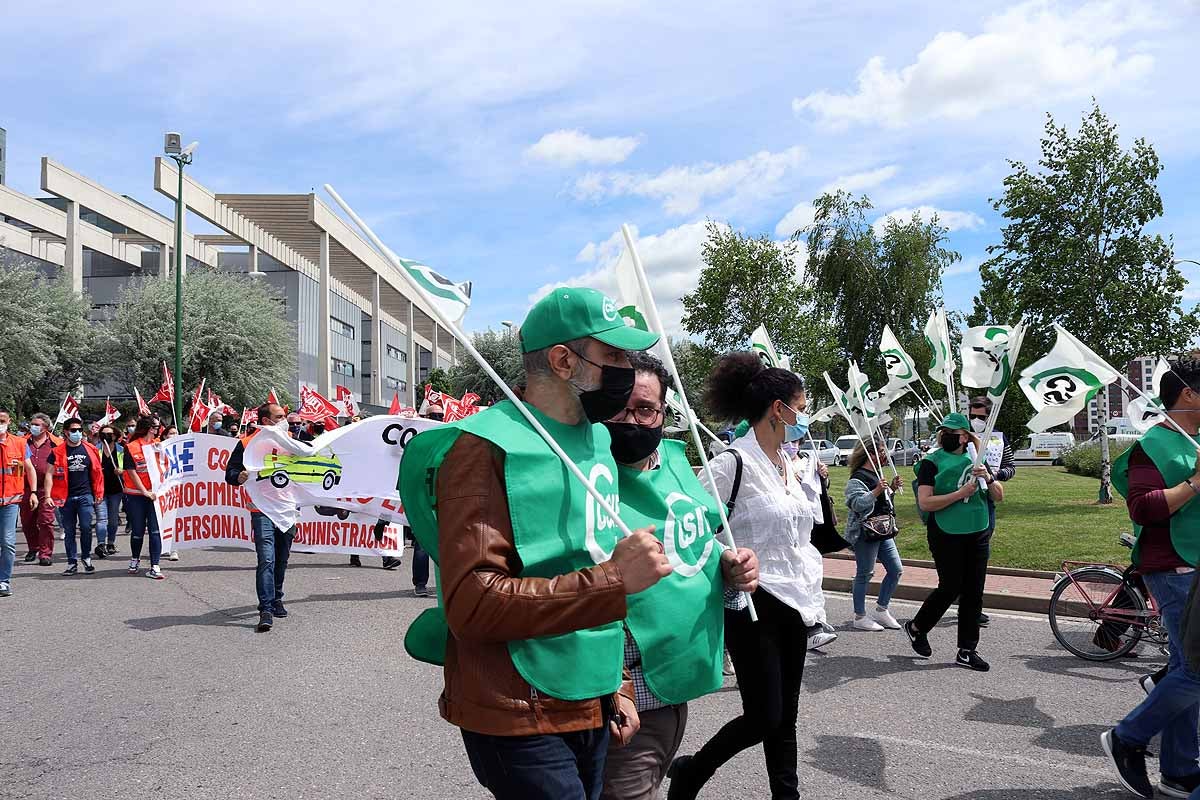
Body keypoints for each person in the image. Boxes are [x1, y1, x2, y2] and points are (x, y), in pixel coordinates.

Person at [398, 287, 671, 800]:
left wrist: (617, 683)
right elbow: (473, 604)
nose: (626, 372)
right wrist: (615, 578)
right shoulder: (483, 449)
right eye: (612, 356)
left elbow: (581, 554)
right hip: (516, 706)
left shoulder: (597, 443)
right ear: (564, 361)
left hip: (590, 694)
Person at [600, 351, 758, 800]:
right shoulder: (579, 475)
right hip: (610, 694)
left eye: (646, 409)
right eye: (620, 406)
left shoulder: (679, 470)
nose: (631, 419)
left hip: (666, 692)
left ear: (664, 415)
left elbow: (696, 543)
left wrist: (729, 564)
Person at [668, 352, 823, 800]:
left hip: (795, 602)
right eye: (802, 406)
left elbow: (803, 533)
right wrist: (725, 557)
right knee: (764, 716)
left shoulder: (788, 466)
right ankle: (692, 772)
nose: (804, 416)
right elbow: (688, 530)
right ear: (780, 408)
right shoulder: (730, 465)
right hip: (753, 604)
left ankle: (786, 795)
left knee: (785, 716)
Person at [1103, 358, 1200, 800]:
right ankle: (1127, 737)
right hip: (1174, 568)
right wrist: (1196, 482)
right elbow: (1142, 508)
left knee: (1188, 670)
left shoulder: (1194, 440)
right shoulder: (1153, 446)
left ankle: (1179, 770)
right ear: (1189, 394)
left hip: (1196, 566)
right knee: (1196, 672)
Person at [905, 413, 1002, 672]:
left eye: (953, 433)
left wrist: (988, 478)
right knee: (950, 588)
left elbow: (999, 495)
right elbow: (925, 502)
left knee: (974, 591)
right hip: (946, 532)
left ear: (965, 437)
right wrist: (960, 494)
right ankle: (917, 627)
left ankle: (967, 650)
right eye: (944, 432)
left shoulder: (976, 459)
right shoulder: (931, 462)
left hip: (977, 529)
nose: (947, 436)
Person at [226, 403, 295, 632]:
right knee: (266, 558)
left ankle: (276, 598)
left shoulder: (291, 440)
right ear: (266, 421)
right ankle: (265, 608)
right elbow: (230, 474)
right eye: (280, 416)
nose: (284, 420)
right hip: (261, 509)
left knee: (282, 558)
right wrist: (239, 476)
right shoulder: (246, 444)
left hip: (287, 509)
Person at [844, 439, 904, 631]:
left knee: (896, 570)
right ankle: (859, 616)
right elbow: (857, 504)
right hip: (866, 533)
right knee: (865, 573)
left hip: (884, 531)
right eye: (881, 451)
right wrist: (877, 490)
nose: (885, 455)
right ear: (870, 454)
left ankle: (881, 609)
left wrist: (891, 490)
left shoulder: (877, 474)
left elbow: (883, 503)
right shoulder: (857, 478)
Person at [967, 396, 1016, 628]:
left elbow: (1010, 468)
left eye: (981, 417)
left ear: (990, 417)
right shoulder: (960, 436)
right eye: (973, 416)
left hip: (986, 502)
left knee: (980, 556)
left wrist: (992, 476)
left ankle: (972, 605)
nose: (976, 421)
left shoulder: (998, 439)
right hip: (961, 503)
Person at [44, 417, 104, 575]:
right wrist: (48, 496)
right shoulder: (57, 452)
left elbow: (98, 473)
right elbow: (49, 474)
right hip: (66, 497)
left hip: (86, 496)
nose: (77, 433)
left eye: (79, 430)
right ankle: (72, 562)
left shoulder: (90, 449)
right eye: (73, 430)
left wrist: (98, 493)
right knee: (69, 531)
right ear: (66, 432)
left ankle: (86, 558)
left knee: (85, 527)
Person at [0, 409, 38, 597]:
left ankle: (3, 580)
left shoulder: (20, 443)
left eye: (2, 420)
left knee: (7, 542)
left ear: (9, 421)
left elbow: (29, 469)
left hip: (11, 502)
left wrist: (33, 492)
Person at [123, 416, 165, 580]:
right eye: (156, 427)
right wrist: (144, 491)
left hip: (155, 494)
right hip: (136, 495)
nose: (158, 430)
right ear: (149, 428)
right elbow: (131, 472)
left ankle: (155, 565)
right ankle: (135, 559)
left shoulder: (159, 446)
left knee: (155, 530)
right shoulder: (131, 447)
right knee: (138, 530)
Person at [20, 412, 59, 566]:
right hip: (25, 488)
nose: (33, 427)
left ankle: (45, 553)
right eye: (32, 424)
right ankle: (33, 547)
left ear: (46, 427)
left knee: (46, 521)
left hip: (47, 489)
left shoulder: (56, 444)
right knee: (27, 521)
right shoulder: (22, 442)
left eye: (37, 425)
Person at [92, 423, 123, 559]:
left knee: (113, 519)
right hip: (100, 490)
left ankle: (111, 542)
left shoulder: (121, 450)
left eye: (109, 434)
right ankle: (101, 544)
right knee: (101, 518)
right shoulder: (94, 450)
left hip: (116, 490)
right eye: (103, 433)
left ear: (115, 436)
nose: (106, 436)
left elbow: (129, 468)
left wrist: (122, 471)